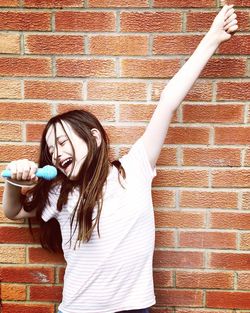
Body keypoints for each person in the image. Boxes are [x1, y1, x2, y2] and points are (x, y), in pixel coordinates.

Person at [2, 5, 238, 313]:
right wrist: (12, 182)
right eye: (51, 149)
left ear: (95, 138)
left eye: (62, 141)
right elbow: (13, 212)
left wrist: (212, 39)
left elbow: (168, 101)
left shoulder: (135, 168)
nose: (57, 153)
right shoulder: (59, 192)